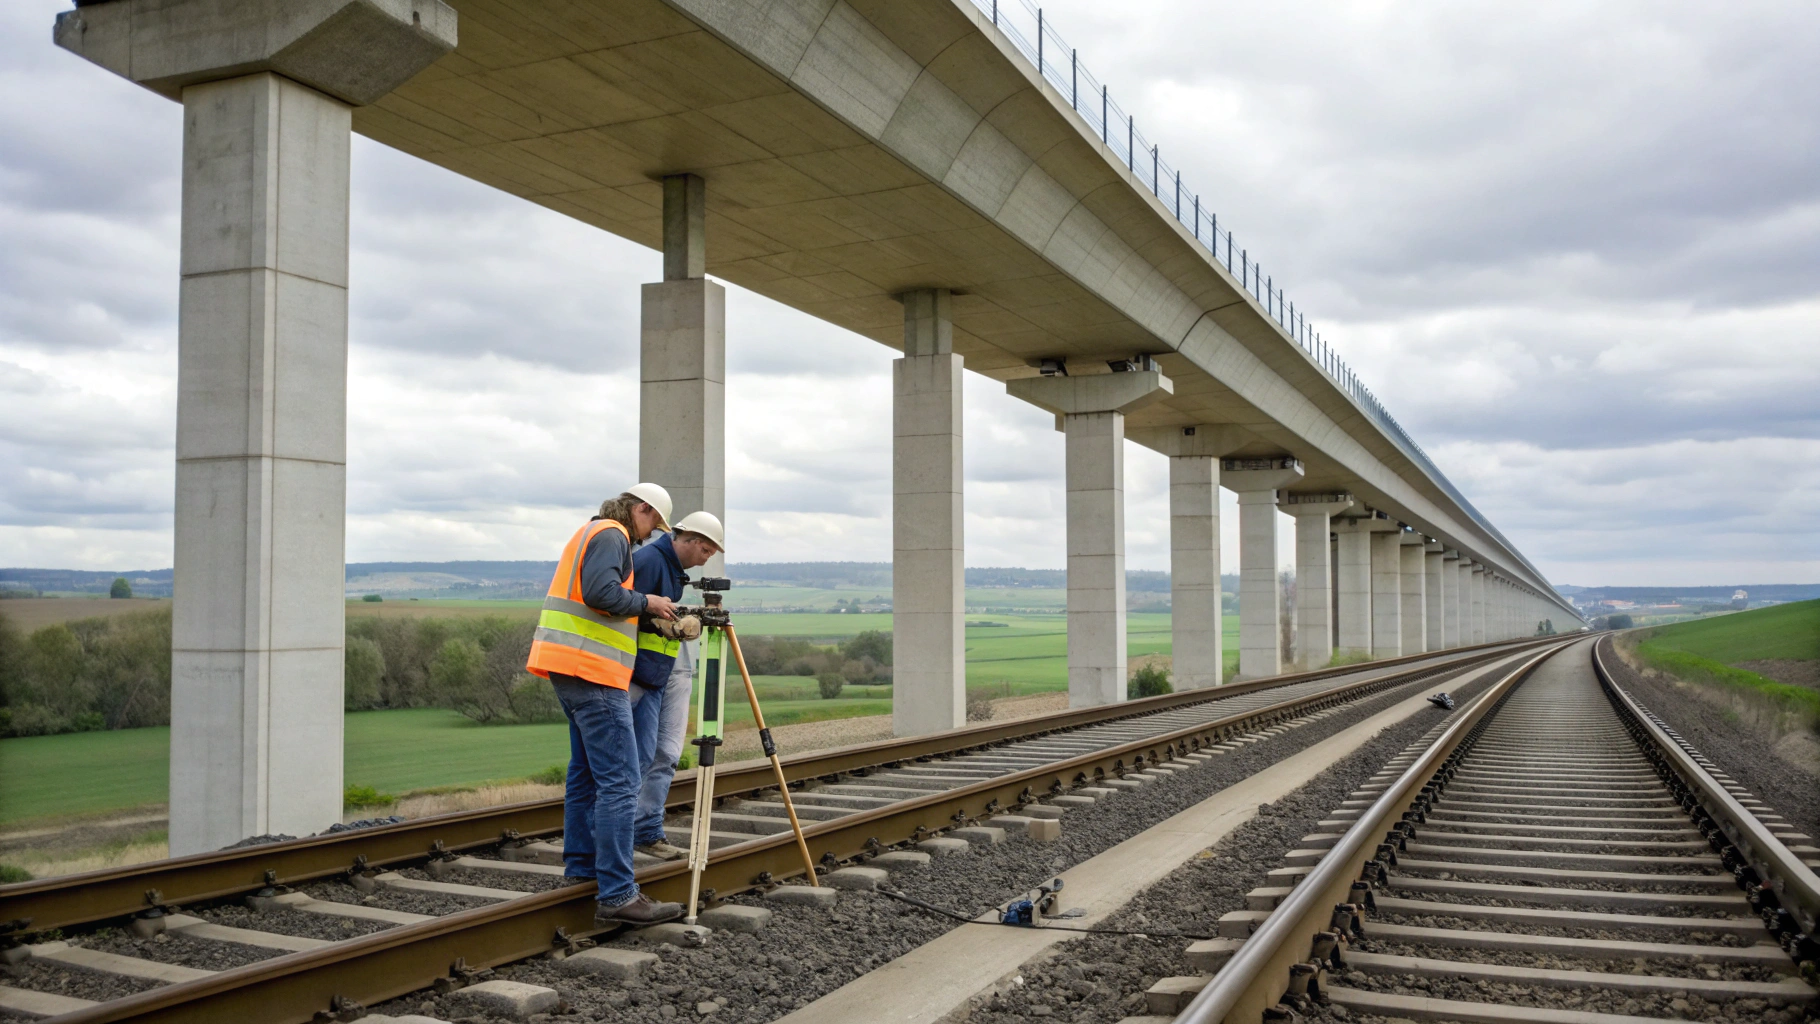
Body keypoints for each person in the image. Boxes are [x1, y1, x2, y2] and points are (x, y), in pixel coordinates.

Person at [525, 482, 684, 925]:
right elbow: (601, 594)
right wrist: (648, 601)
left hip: (569, 668)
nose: (653, 534)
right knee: (621, 780)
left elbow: (597, 601)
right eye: (654, 522)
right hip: (593, 673)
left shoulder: (588, 533)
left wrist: (645, 615)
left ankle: (581, 869)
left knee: (585, 775)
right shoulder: (613, 534)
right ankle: (618, 894)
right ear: (642, 509)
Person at [627, 511, 725, 861]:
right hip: (642, 672)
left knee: (665, 753)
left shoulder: (669, 567)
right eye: (707, 552)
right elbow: (625, 610)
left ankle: (647, 831)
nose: (707, 559)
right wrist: (663, 624)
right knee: (637, 758)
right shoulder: (650, 561)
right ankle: (630, 833)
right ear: (695, 541)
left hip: (664, 668)